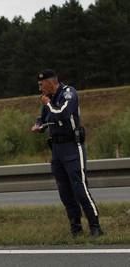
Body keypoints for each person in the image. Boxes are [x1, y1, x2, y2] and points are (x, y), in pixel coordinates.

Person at [31, 69, 103, 237]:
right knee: (64, 191)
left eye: (42, 85)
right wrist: (39, 125)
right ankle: (76, 228)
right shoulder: (49, 99)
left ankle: (95, 226)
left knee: (79, 189)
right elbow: (44, 118)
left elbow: (63, 113)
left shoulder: (69, 93)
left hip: (72, 146)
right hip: (56, 150)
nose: (40, 88)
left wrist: (48, 104)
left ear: (50, 82)